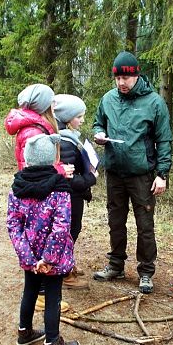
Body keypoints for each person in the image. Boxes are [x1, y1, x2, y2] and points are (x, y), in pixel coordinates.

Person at [92, 51, 173, 294]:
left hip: (142, 175)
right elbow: (98, 122)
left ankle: (146, 271)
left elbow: (165, 140)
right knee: (115, 221)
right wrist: (98, 134)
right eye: (117, 79)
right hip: (115, 171)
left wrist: (162, 174)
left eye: (125, 79)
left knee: (144, 225)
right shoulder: (108, 99)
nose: (121, 83)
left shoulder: (154, 103)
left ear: (136, 75)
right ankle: (116, 264)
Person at [8, 133, 80, 345]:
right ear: (52, 160)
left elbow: (13, 225)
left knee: (30, 290)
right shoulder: (60, 190)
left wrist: (28, 257)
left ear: (27, 160)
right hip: (53, 258)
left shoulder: (17, 188)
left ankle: (24, 332)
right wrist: (48, 258)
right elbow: (61, 227)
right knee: (52, 296)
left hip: (30, 256)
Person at [5, 83, 74, 309]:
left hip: (39, 193)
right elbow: (33, 172)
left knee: (39, 241)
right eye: (52, 101)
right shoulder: (34, 131)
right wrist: (61, 172)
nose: (55, 106)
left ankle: (41, 290)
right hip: (38, 199)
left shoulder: (36, 125)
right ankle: (44, 297)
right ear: (43, 105)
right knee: (40, 241)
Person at [53, 94, 98, 289]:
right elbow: (69, 179)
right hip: (69, 196)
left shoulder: (66, 136)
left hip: (73, 195)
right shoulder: (65, 141)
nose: (82, 120)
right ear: (67, 116)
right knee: (69, 231)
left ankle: (67, 264)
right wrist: (91, 178)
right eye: (79, 116)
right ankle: (64, 274)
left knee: (72, 230)